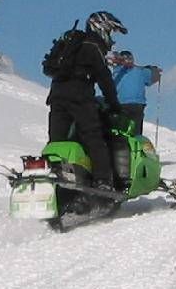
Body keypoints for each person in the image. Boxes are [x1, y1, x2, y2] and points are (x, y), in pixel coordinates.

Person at [47, 11, 126, 191]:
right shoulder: (93, 46)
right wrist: (114, 104)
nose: (111, 38)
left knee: (57, 139)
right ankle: (103, 181)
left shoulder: (71, 42)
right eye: (111, 32)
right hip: (80, 96)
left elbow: (51, 68)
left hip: (57, 94)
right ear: (101, 28)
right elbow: (104, 78)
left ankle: (56, 173)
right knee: (93, 137)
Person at [109, 50, 161, 136]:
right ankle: (135, 146)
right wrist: (153, 69)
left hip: (119, 105)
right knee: (135, 132)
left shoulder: (116, 72)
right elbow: (155, 76)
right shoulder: (141, 72)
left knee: (120, 131)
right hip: (137, 106)